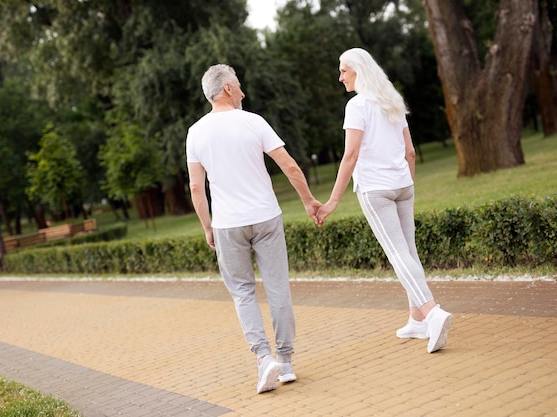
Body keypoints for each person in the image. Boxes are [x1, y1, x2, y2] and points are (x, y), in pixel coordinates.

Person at [186, 64, 321, 393]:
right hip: (265, 217)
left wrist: (207, 227)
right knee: (278, 289)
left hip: (227, 225)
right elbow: (288, 164)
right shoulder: (254, 121)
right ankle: (285, 361)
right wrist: (308, 201)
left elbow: (195, 187)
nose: (244, 92)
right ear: (228, 89)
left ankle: (264, 359)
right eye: (240, 86)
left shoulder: (195, 132)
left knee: (243, 293)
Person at [316, 48, 453, 353]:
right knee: (408, 252)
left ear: (358, 71)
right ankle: (417, 320)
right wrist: (408, 183)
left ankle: (432, 313)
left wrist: (334, 200)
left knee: (397, 254)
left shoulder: (357, 106)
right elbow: (410, 151)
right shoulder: (392, 100)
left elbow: (350, 155)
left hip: (375, 191)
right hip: (403, 185)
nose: (340, 78)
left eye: (343, 71)